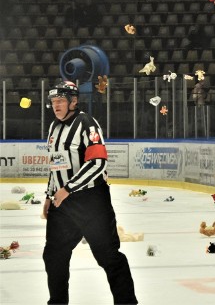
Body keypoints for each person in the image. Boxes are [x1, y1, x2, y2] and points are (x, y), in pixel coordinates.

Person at [42, 81, 137, 305]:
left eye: (61, 101)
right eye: (54, 102)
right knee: (54, 255)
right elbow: (56, 165)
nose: (56, 106)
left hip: (91, 203)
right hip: (62, 204)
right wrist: (49, 194)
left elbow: (97, 163)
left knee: (108, 257)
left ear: (73, 102)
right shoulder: (54, 127)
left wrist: (67, 189)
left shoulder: (87, 124)